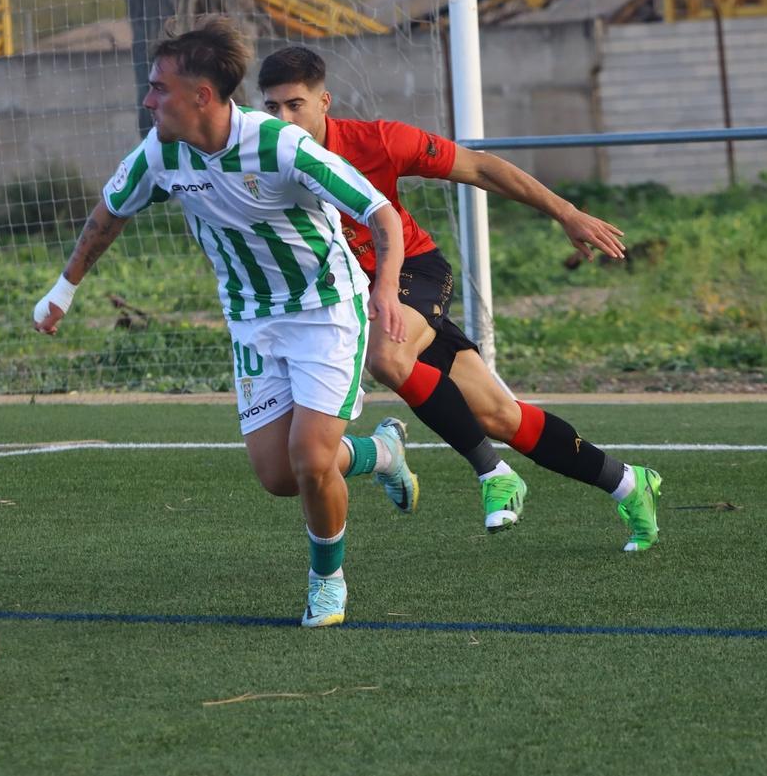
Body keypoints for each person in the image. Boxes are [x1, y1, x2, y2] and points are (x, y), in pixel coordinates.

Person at [34, 18, 416, 628]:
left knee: (310, 458)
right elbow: (109, 213)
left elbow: (378, 212)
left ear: (202, 97)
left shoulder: (279, 145)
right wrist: (63, 289)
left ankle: (327, 582)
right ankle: (381, 453)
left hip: (325, 312)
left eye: (159, 87)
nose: (148, 98)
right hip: (251, 324)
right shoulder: (160, 151)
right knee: (278, 475)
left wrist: (387, 289)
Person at [256, 45, 662, 552]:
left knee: (386, 354)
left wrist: (566, 212)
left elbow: (481, 168)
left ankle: (493, 474)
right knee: (499, 415)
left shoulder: (378, 141)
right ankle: (628, 482)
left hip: (412, 274)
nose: (284, 118)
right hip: (349, 296)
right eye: (272, 108)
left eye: (296, 104)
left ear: (325, 102)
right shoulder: (257, 158)